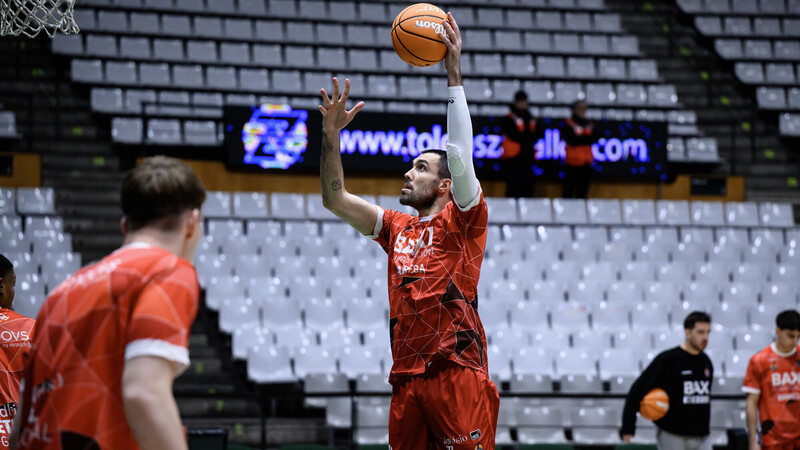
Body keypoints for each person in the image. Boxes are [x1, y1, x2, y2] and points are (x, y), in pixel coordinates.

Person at [318, 12, 499, 450]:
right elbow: (334, 199)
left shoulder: (464, 220)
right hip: (405, 378)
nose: (407, 171)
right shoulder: (396, 226)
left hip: (456, 371)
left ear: (444, 184)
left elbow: (459, 153)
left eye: (420, 167)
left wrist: (453, 74)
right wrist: (330, 136)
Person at [11, 156, 206, 450]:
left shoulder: (64, 290)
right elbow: (144, 392)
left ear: (125, 225)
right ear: (192, 223)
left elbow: (21, 420)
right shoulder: (168, 272)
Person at [621, 311, 714, 450]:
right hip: (673, 435)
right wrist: (628, 427)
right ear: (687, 333)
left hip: (702, 436)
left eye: (708, 332)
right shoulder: (668, 360)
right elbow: (637, 390)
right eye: (700, 332)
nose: (705, 337)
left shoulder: (706, 362)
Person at [743, 309, 800, 450]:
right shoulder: (759, 360)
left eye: (798, 337)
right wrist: (753, 440)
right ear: (777, 331)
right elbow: (751, 402)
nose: (794, 341)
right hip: (773, 438)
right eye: (790, 336)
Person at [0, 255, 35, 449]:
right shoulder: (31, 328)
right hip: (18, 437)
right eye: (13, 285)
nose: (13, 292)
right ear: (1, 285)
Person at [498, 90, 537, 198]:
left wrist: (525, 136)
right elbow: (513, 134)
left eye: (524, 101)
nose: (522, 104)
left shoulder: (531, 118)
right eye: (520, 101)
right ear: (515, 102)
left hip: (528, 157)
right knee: (513, 186)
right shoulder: (508, 118)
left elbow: (538, 134)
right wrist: (527, 137)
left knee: (528, 186)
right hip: (513, 158)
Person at [561, 100, 596, 199]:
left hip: (587, 162)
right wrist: (584, 138)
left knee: (583, 193)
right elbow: (572, 139)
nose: (583, 111)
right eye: (580, 108)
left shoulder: (590, 124)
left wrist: (581, 137)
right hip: (572, 163)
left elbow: (594, 138)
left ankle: (581, 213)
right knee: (568, 192)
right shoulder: (567, 123)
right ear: (574, 110)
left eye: (585, 109)